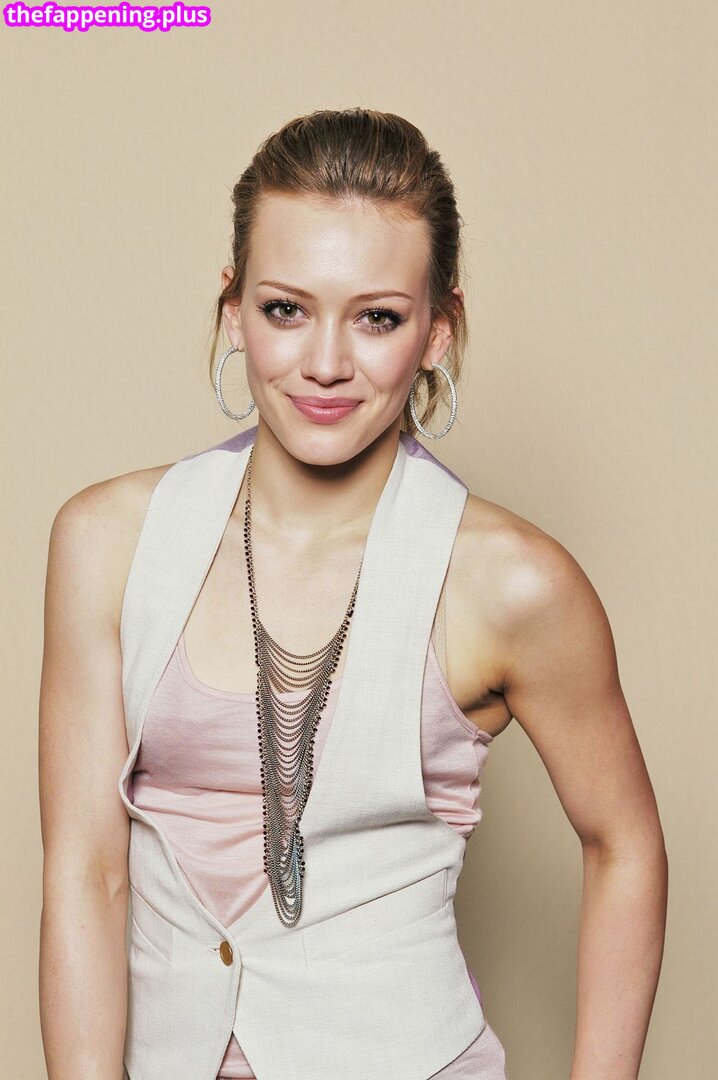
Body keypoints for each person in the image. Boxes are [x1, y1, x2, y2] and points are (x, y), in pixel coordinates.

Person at [38, 108, 667, 1080]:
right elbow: (86, 871)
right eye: (286, 309)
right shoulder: (107, 543)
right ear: (232, 309)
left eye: (377, 317)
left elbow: (624, 842)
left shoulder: (511, 582)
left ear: (438, 329)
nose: (326, 362)